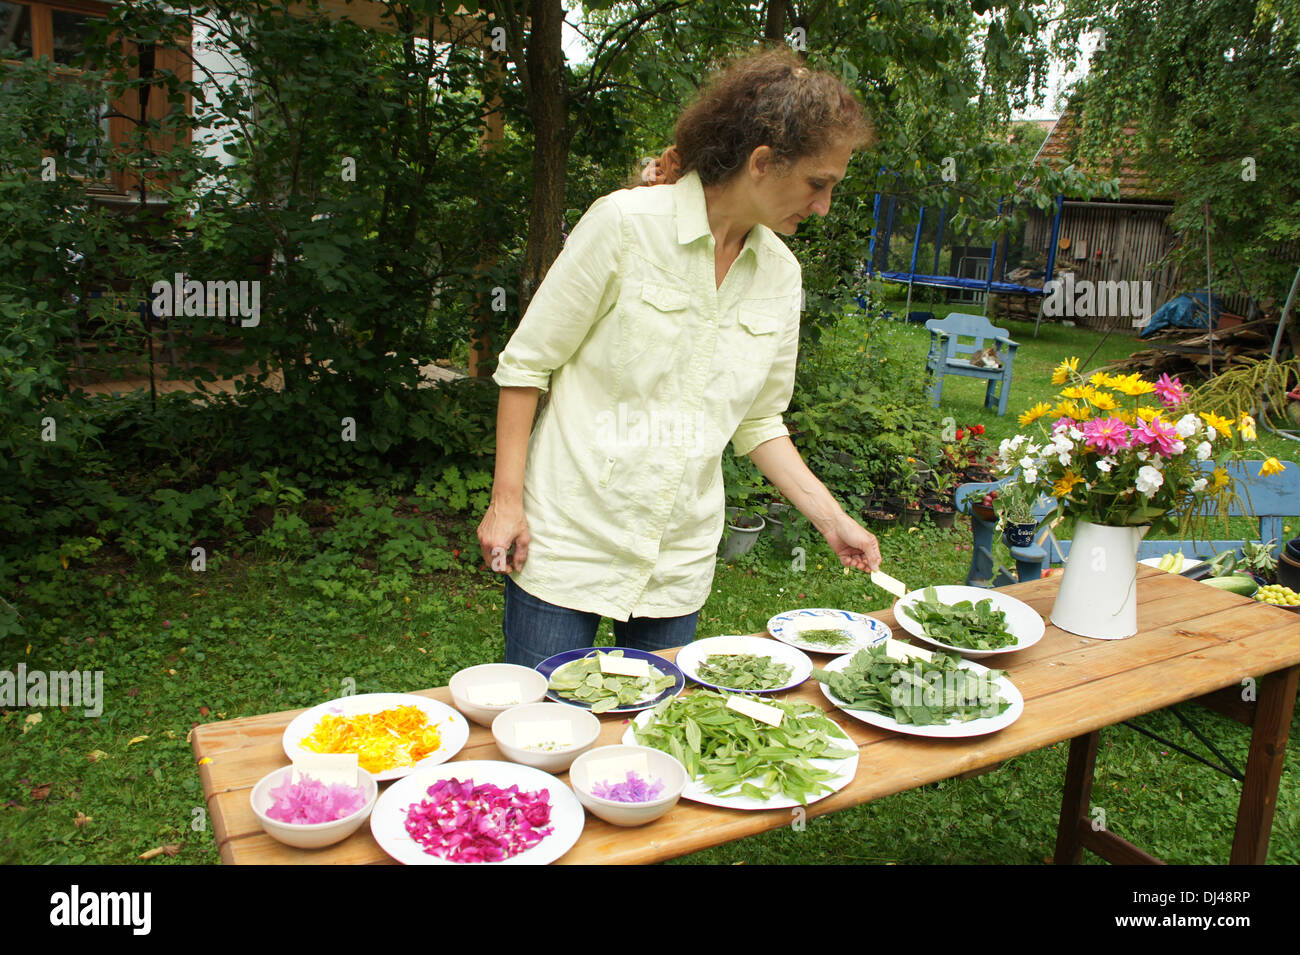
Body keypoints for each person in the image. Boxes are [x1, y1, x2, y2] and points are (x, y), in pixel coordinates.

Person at [477, 46, 883, 668]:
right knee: (541, 731)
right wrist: (507, 501)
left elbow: (758, 422)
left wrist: (832, 522)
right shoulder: (624, 226)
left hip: (679, 557)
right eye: (818, 184)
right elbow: (526, 366)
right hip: (567, 538)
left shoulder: (781, 275)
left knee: (657, 736)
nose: (824, 206)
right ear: (762, 162)